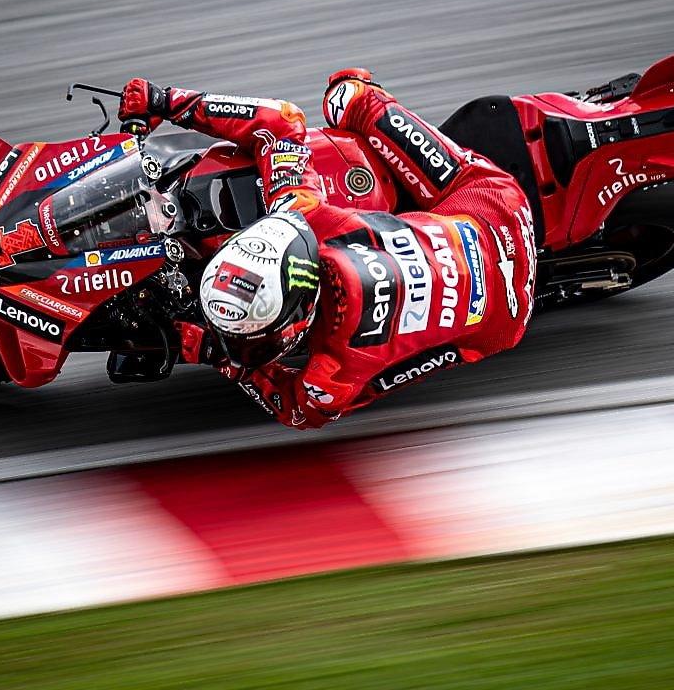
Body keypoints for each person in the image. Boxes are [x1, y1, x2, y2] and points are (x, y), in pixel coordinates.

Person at [118, 69, 537, 428]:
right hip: (496, 212)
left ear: (298, 318)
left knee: (397, 369)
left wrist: (221, 355)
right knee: (347, 96)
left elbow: (297, 412)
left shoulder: (335, 367)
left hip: (502, 324)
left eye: (256, 340)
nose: (248, 350)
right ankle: (364, 100)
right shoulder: (305, 217)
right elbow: (281, 120)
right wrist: (167, 101)